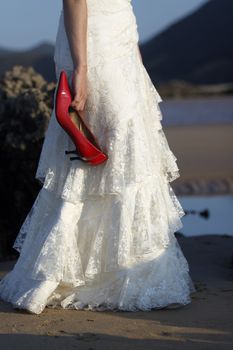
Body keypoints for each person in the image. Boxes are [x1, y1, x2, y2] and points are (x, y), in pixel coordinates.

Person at [0, 0, 196, 314]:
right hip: (92, 42)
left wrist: (134, 55)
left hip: (121, 37)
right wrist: (81, 67)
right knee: (98, 146)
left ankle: (126, 271)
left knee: (126, 151)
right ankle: (61, 272)